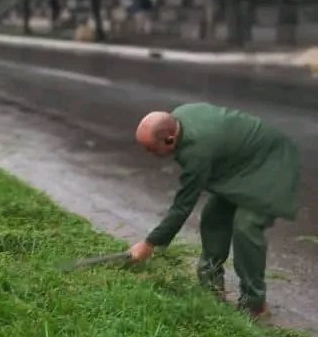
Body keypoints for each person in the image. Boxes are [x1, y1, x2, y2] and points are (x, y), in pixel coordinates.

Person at [127, 103, 301, 319]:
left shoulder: (197, 150)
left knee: (246, 227)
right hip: (241, 164)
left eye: (151, 149)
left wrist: (149, 244)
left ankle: (254, 304)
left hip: (272, 163)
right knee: (213, 217)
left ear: (170, 139)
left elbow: (182, 206)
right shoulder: (179, 118)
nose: (149, 154)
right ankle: (211, 289)